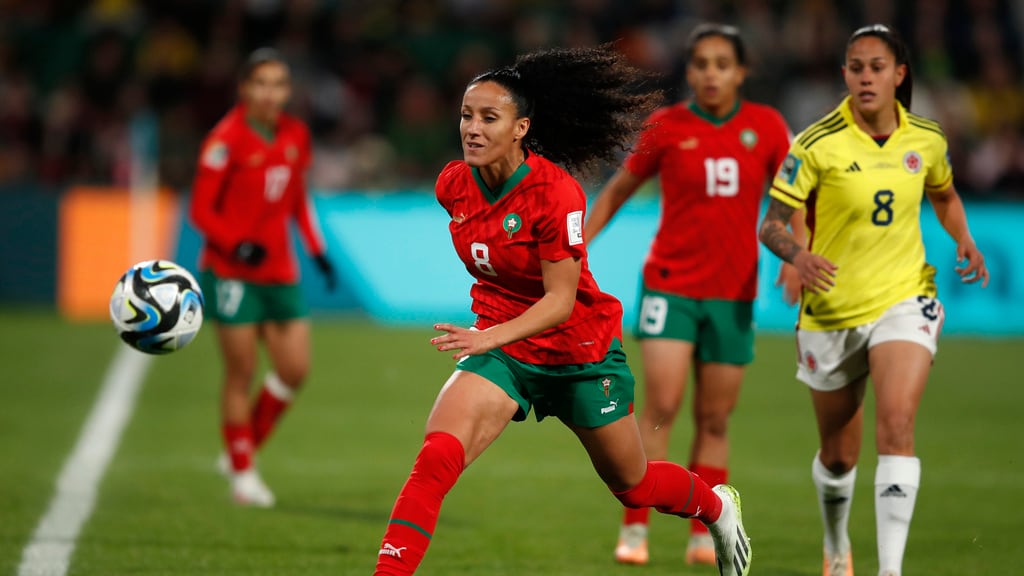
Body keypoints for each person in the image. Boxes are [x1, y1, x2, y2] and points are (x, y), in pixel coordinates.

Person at [373, 45, 752, 576]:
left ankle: (716, 507)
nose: (472, 129)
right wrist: (494, 337)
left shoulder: (555, 194)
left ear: (521, 126)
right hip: (505, 352)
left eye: (489, 117)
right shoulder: (453, 185)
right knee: (436, 458)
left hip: (580, 352)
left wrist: (487, 336)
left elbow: (560, 301)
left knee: (633, 485)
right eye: (466, 115)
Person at [758, 25, 989, 576]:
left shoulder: (926, 139)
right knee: (839, 457)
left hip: (905, 296)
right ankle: (837, 544)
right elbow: (770, 223)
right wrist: (798, 256)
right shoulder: (814, 144)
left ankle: (890, 570)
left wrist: (964, 238)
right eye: (856, 67)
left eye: (877, 67)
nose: (866, 76)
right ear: (844, 75)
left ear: (898, 74)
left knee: (897, 426)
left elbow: (946, 195)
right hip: (832, 309)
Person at [585, 23, 802, 566]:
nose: (710, 74)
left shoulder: (767, 127)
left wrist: (798, 255)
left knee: (714, 420)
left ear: (741, 72)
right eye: (701, 63)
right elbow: (616, 191)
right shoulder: (666, 126)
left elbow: (799, 196)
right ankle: (634, 529)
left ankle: (707, 528)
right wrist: (576, 247)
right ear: (689, 70)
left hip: (732, 294)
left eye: (721, 64)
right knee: (659, 406)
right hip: (670, 287)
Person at [189, 48, 336, 507]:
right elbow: (200, 210)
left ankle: (240, 451)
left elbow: (297, 200)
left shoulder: (295, 134)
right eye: (262, 83)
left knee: (294, 370)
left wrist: (317, 251)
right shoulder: (224, 139)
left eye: (279, 84)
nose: (271, 93)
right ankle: (243, 475)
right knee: (242, 373)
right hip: (232, 273)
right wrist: (236, 244)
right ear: (244, 88)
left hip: (280, 271)